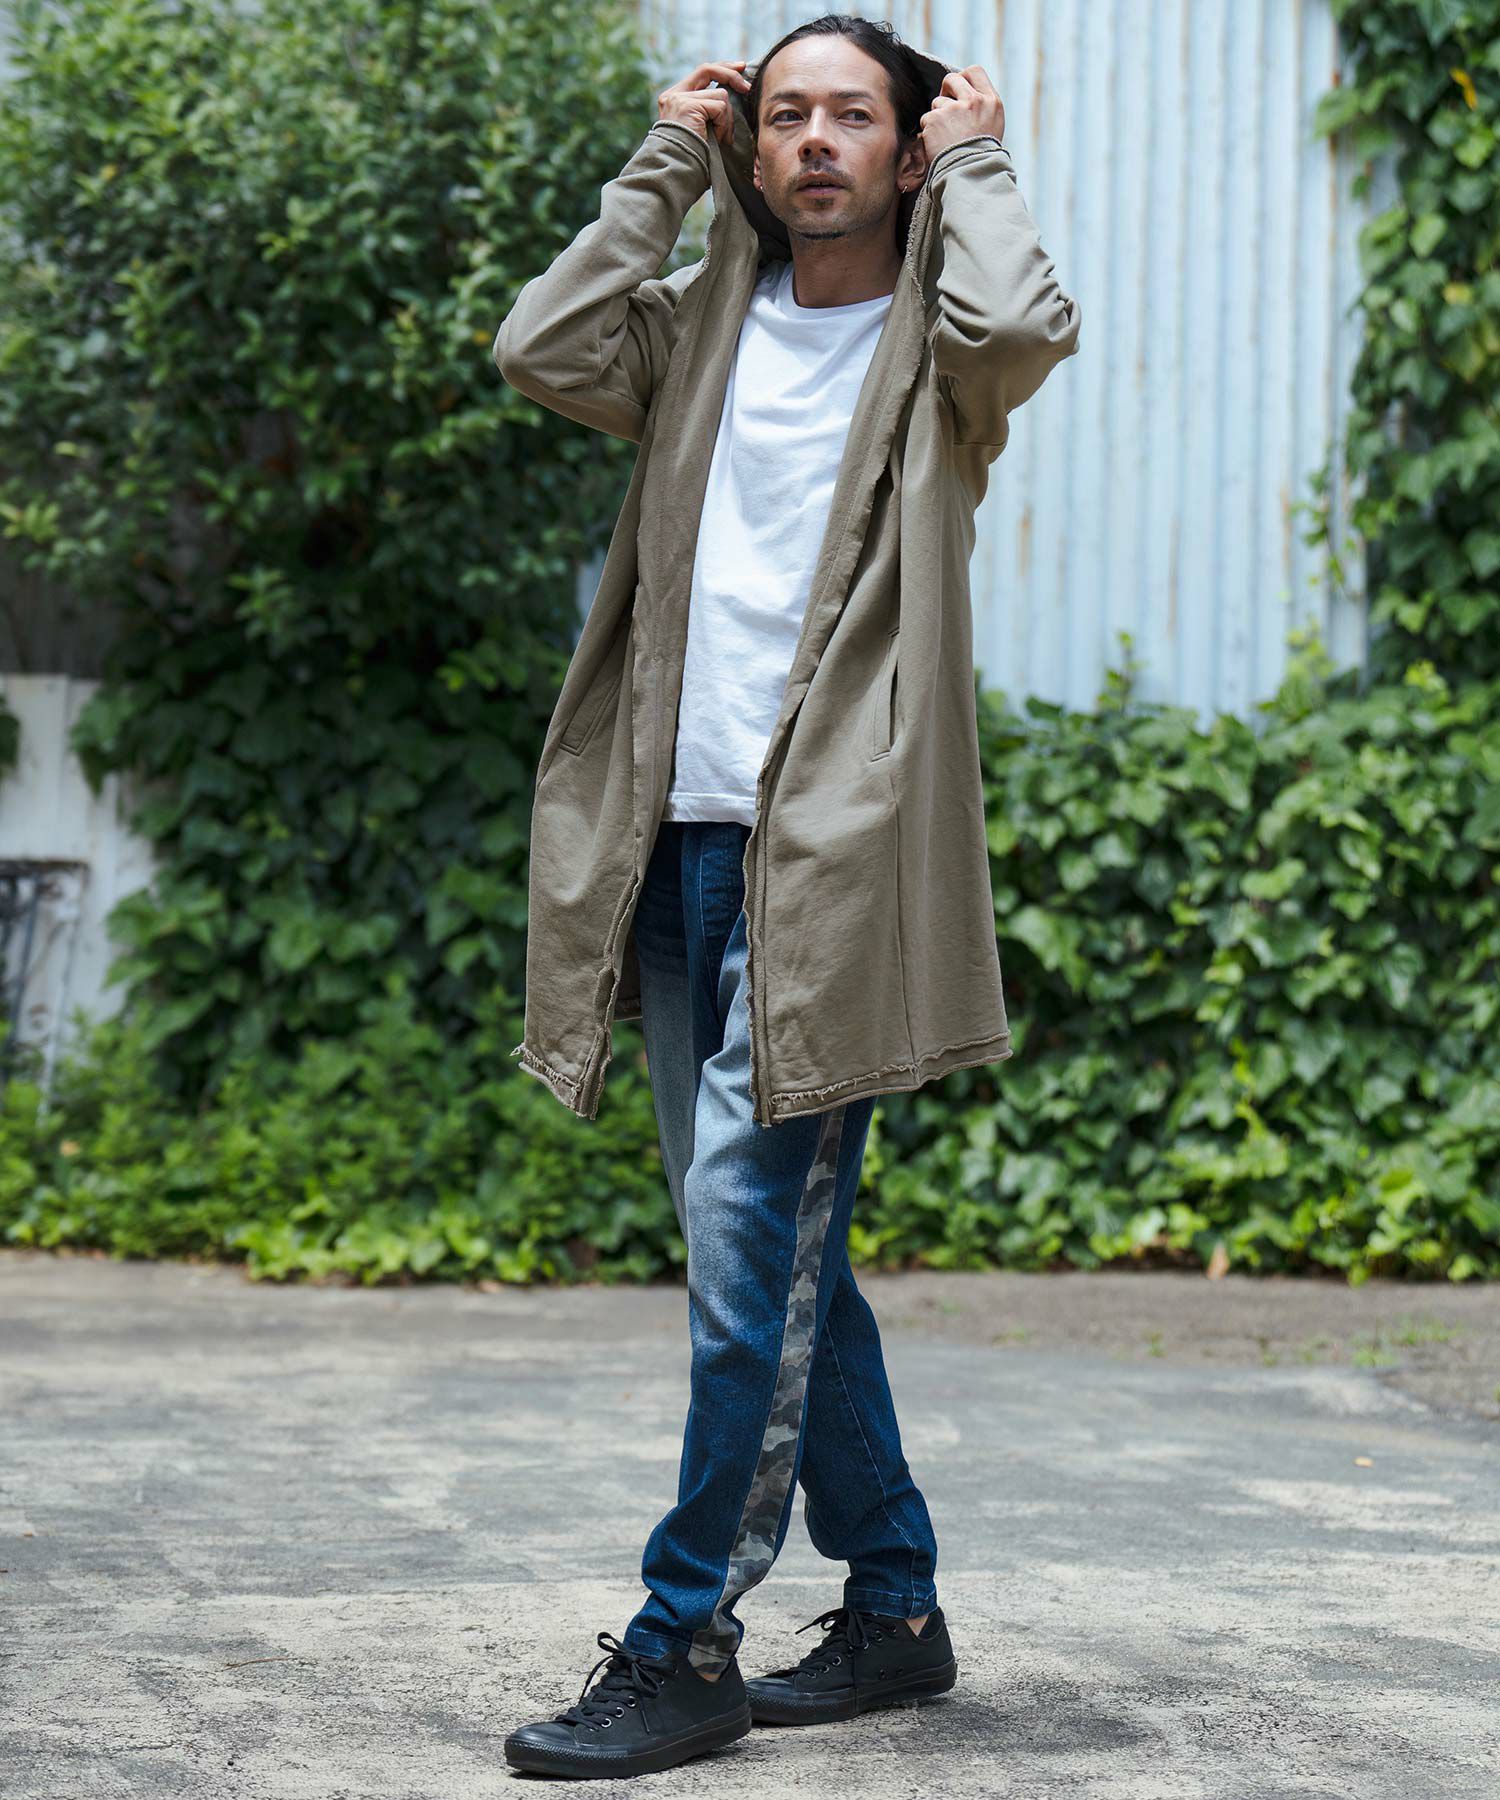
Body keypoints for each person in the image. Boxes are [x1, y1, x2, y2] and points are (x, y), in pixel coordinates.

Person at [494, 13, 1080, 1781]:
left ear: (905, 150)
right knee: (756, 1247)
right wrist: (663, 163)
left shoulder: (938, 356)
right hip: (672, 841)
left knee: (752, 1242)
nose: (819, 140)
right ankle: (894, 1610)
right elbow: (541, 344)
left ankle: (685, 1639)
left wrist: (982, 165)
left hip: (826, 853)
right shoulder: (697, 328)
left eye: (857, 116)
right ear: (754, 150)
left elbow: (1020, 324)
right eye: (789, 116)